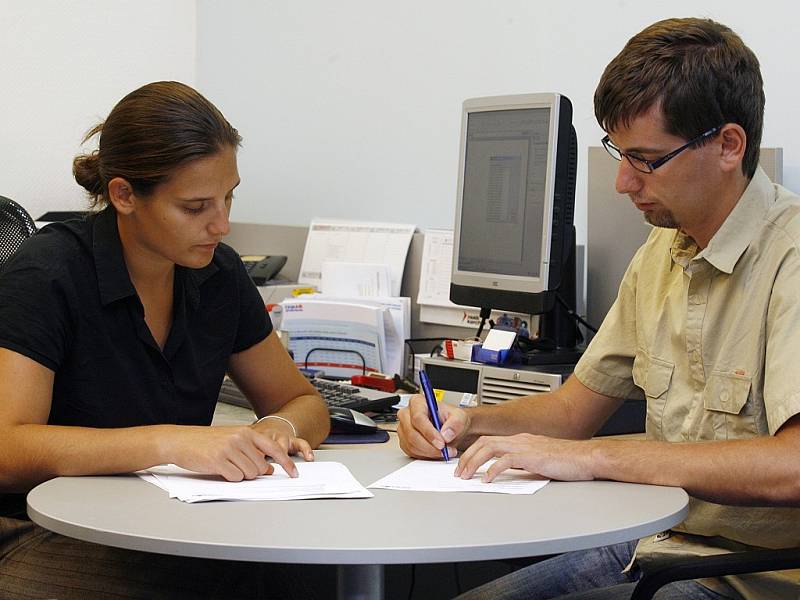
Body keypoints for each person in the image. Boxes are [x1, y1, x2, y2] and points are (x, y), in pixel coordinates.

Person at [399, 17, 800, 600]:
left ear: (728, 145)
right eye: (619, 153)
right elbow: (570, 414)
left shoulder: (790, 259)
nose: (620, 182)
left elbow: (793, 466)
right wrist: (464, 426)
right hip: (659, 547)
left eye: (645, 159)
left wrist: (597, 459)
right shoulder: (662, 251)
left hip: (755, 576)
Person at [0, 81, 331, 599]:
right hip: (34, 529)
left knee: (300, 569)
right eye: (196, 206)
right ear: (124, 195)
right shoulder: (48, 275)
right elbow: (6, 448)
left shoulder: (219, 275)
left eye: (229, 198)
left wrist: (275, 429)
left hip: (166, 521)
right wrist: (169, 442)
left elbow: (303, 400)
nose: (221, 224)